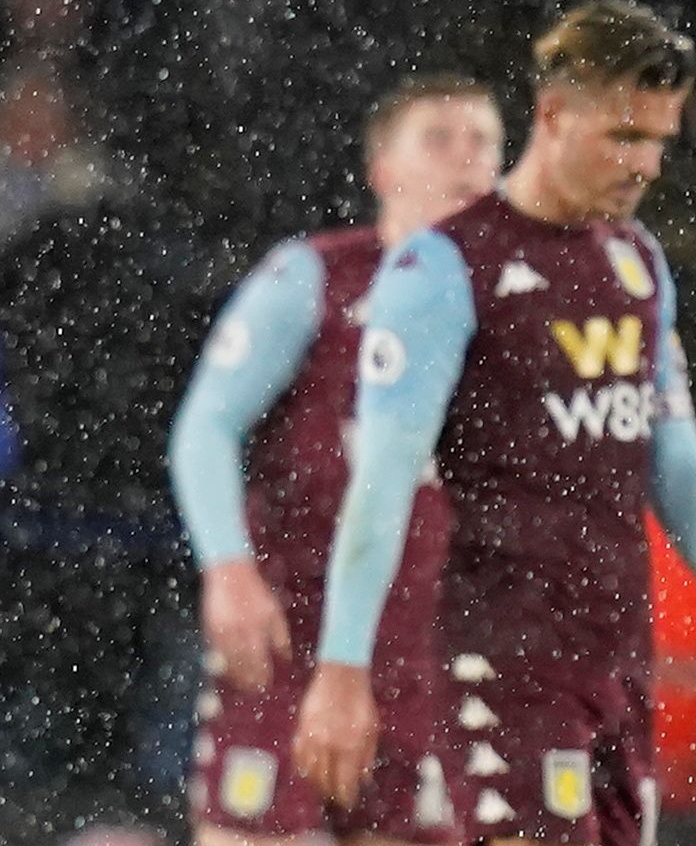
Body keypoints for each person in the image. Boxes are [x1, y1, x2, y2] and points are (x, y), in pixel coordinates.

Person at [293, 0, 696, 846]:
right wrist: (341, 668)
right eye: (623, 136)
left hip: (618, 651)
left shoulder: (635, 261)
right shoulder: (440, 268)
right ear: (553, 114)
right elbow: (381, 484)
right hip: (502, 652)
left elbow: (672, 456)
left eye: (659, 142)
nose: (643, 165)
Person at [169, 74, 506, 846]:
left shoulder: (517, 298)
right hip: (293, 632)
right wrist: (225, 567)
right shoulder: (315, 276)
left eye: (484, 140)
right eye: (440, 138)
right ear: (382, 167)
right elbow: (205, 428)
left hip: (437, 649)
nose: (467, 159)